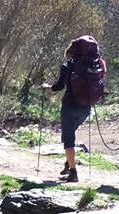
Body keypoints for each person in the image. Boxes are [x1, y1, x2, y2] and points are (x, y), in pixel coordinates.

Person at [45, 36, 106, 182]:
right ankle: (68, 163)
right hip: (86, 108)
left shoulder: (69, 64)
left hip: (69, 106)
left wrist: (48, 87)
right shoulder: (97, 65)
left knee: (68, 138)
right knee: (69, 133)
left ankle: (73, 172)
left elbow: (59, 86)